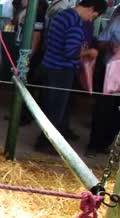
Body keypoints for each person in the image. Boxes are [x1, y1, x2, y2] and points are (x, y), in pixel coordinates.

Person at [35, 0, 108, 154]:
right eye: (94, 15)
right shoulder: (75, 22)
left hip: (49, 65)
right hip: (61, 70)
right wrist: (89, 52)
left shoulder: (62, 15)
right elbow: (71, 53)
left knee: (50, 106)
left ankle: (48, 139)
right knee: (56, 110)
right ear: (91, 8)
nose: (91, 19)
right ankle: (46, 143)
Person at [86, 6, 120, 156]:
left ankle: (106, 143)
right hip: (111, 73)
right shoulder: (118, 20)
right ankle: (94, 146)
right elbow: (101, 41)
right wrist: (113, 46)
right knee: (104, 109)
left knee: (117, 114)